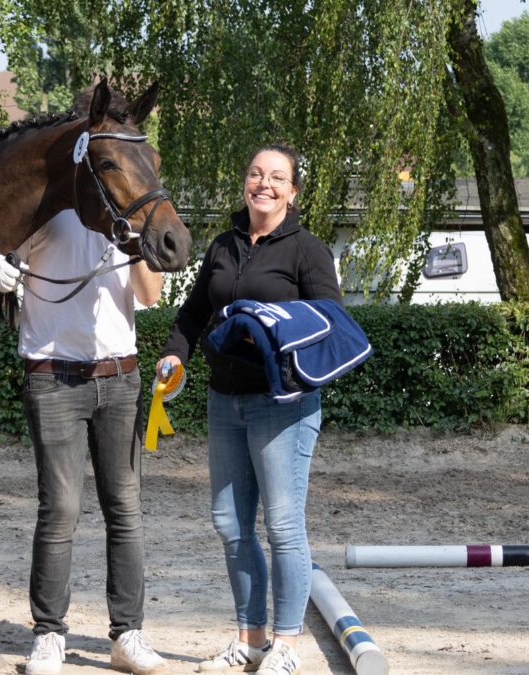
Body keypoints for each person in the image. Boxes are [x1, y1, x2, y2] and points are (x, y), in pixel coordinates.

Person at [155, 143, 341, 675]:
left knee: (283, 526)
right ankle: (251, 638)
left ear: (293, 191)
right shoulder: (223, 245)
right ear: (245, 183)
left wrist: (270, 326)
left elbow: (330, 322)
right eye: (256, 174)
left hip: (283, 406)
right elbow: (192, 314)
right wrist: (174, 354)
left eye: (277, 177)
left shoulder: (307, 250)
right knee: (230, 524)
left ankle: (286, 645)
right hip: (224, 402)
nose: (264, 183)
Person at [0, 208, 167, 675]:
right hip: (53, 378)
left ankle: (128, 634)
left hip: (120, 376)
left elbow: (151, 294)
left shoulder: (128, 220)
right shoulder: (49, 214)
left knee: (125, 508)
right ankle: (49, 635)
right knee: (61, 509)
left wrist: (134, 243)